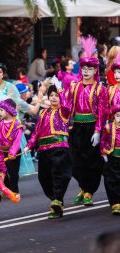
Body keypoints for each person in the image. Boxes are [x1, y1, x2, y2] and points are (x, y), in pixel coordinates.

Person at [66, 36, 108, 206]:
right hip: (76, 127)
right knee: (74, 161)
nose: (85, 72)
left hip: (92, 128)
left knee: (92, 162)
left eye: (89, 69)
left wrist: (98, 131)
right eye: (83, 68)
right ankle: (83, 186)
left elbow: (103, 112)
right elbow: (67, 106)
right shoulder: (74, 86)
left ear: (95, 71)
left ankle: (89, 191)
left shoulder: (100, 89)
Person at [24, 85, 71, 219]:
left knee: (59, 174)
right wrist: (29, 145)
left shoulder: (63, 111)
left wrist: (60, 90)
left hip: (59, 148)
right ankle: (55, 200)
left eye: (56, 95)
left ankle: (57, 199)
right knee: (44, 177)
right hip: (44, 149)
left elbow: (67, 105)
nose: (54, 98)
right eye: (51, 95)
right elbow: (36, 132)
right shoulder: (43, 112)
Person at [0, 98, 23, 195]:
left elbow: (17, 141)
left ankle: (14, 190)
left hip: (13, 152)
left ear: (9, 111)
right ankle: (6, 188)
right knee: (2, 171)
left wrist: (13, 152)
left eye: (1, 110)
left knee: (13, 173)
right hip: (1, 152)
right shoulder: (0, 123)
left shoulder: (17, 125)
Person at [101, 104, 120, 215]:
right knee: (112, 180)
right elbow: (103, 141)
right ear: (113, 116)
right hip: (112, 157)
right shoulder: (108, 127)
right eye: (117, 115)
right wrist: (103, 153)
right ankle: (115, 203)